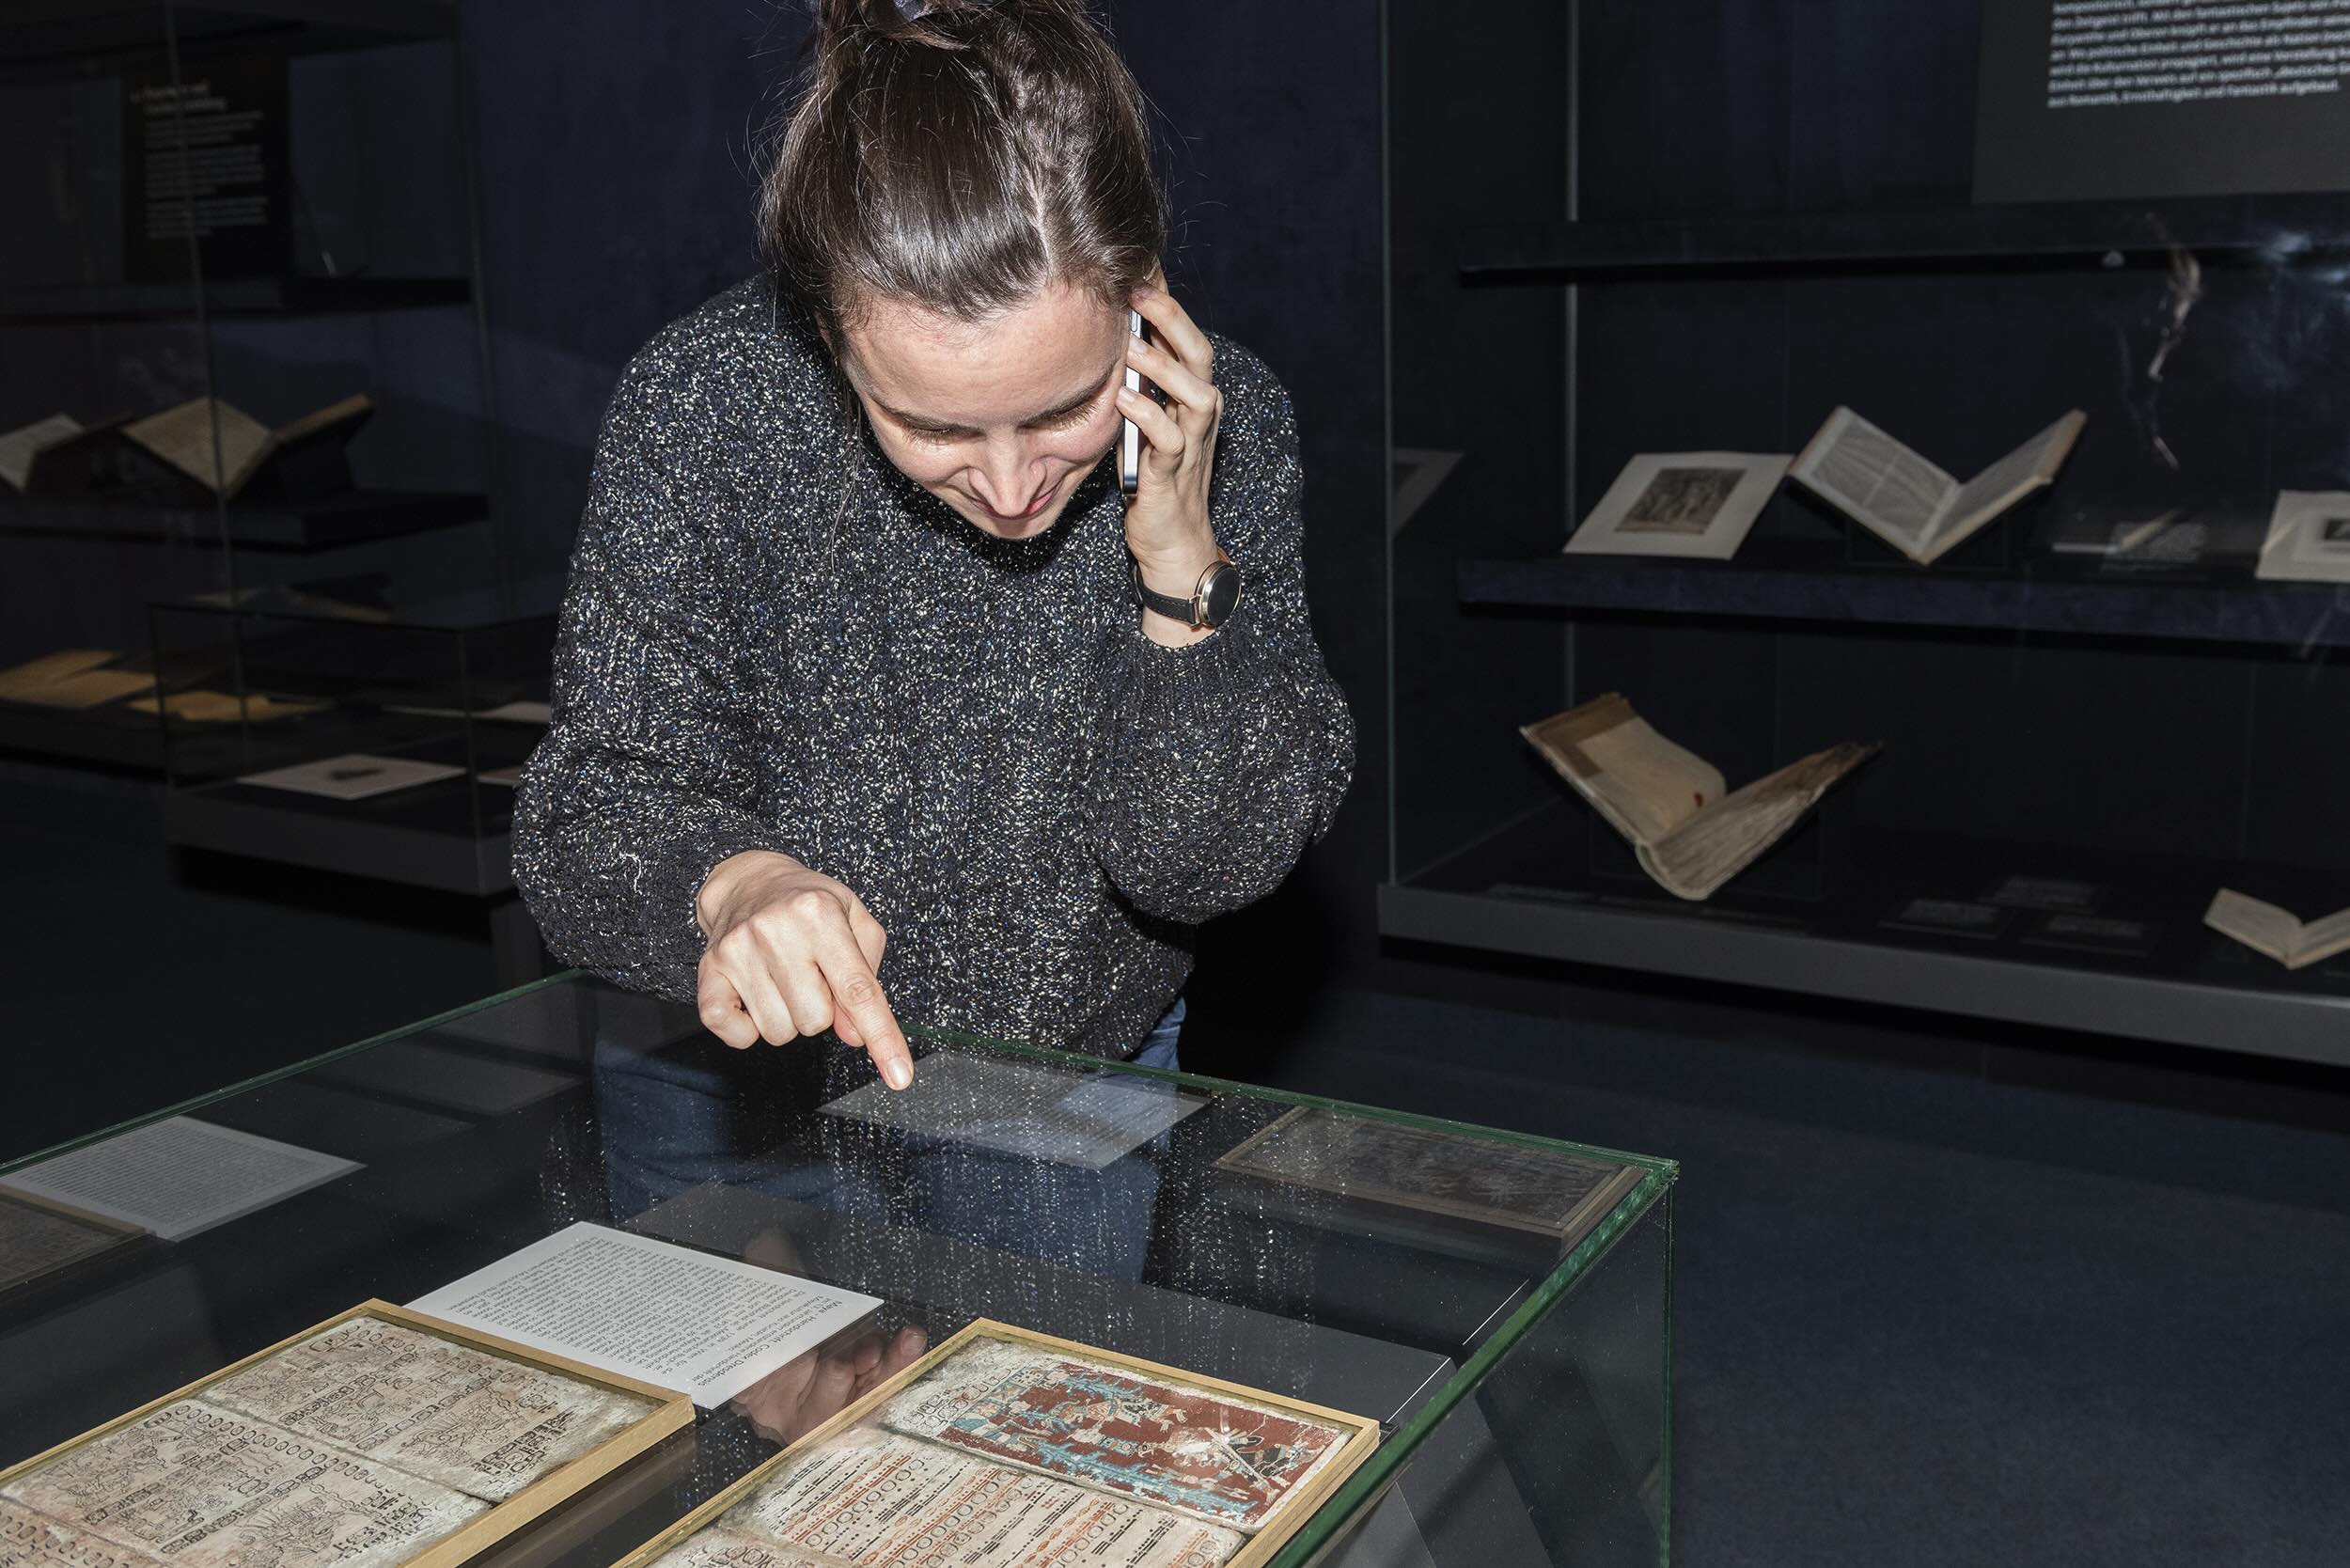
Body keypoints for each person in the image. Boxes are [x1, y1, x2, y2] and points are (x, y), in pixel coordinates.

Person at [512, 0, 1355, 1095]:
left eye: (1064, 409)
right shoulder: (705, 404)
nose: (1009, 489)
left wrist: (1179, 562)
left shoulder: (1220, 420)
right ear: (829, 333)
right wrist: (735, 885)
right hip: (739, 1080)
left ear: (1141, 299)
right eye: (933, 426)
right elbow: (587, 811)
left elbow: (1201, 867)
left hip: (1077, 1070)